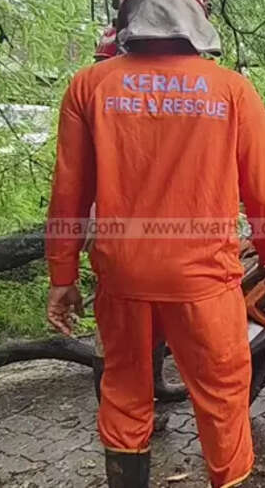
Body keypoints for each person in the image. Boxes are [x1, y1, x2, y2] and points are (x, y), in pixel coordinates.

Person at [45, 0, 265, 488]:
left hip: (123, 276)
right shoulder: (233, 91)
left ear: (129, 17)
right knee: (222, 395)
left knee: (126, 392)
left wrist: (61, 277)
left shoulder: (89, 86)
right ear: (196, 17)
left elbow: (68, 197)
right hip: (204, 280)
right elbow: (263, 195)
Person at [87, 25, 187, 407]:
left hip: (129, 228)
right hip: (123, 226)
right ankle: (126, 403)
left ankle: (146, 392)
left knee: (138, 318)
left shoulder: (106, 95)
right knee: (124, 323)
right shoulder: (121, 99)